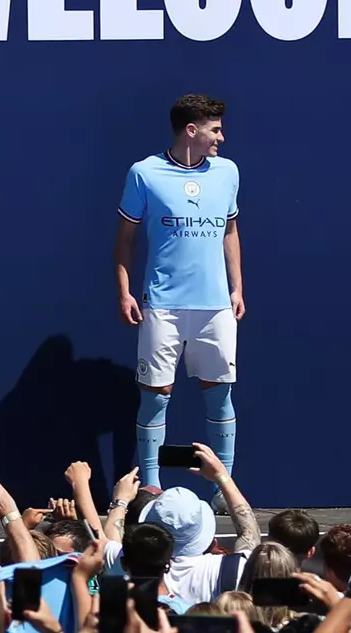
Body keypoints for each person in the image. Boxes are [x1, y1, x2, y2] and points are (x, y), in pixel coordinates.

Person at [115, 93, 243, 510]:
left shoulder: (227, 172)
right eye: (215, 129)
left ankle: (222, 488)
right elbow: (125, 239)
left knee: (218, 393)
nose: (221, 137)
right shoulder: (144, 173)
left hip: (215, 307)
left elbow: (229, 230)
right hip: (162, 306)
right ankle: (151, 486)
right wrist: (124, 289)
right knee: (156, 394)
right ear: (192, 130)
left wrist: (237, 287)